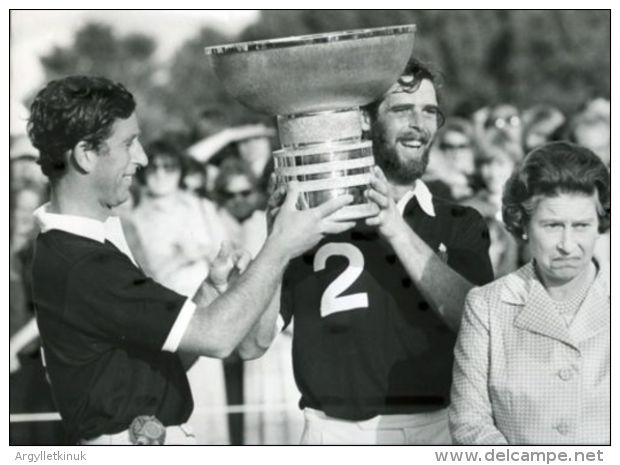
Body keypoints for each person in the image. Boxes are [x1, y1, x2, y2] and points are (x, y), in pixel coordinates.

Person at [26, 75, 355, 445]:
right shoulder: (81, 263)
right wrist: (280, 244)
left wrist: (212, 289)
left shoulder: (79, 249)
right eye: (129, 143)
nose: (143, 158)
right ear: (86, 154)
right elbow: (216, 338)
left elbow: (168, 360)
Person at [238, 59, 494, 444]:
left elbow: (478, 324)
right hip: (334, 433)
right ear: (364, 121)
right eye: (402, 110)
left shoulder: (461, 221)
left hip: (438, 429)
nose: (419, 124)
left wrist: (394, 227)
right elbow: (251, 343)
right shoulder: (315, 219)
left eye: (429, 112)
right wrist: (276, 242)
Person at [449, 141, 610, 445]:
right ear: (522, 224)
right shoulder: (487, 307)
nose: (567, 244)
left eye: (581, 225)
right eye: (551, 225)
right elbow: (469, 424)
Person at [128, 138, 229, 444]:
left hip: (207, 308)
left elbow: (227, 253)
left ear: (179, 171)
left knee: (210, 397)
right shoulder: (135, 217)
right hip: (166, 314)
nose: (160, 173)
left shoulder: (201, 206)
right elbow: (141, 274)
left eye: (169, 166)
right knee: (178, 392)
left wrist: (204, 255)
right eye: (154, 166)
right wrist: (179, 256)